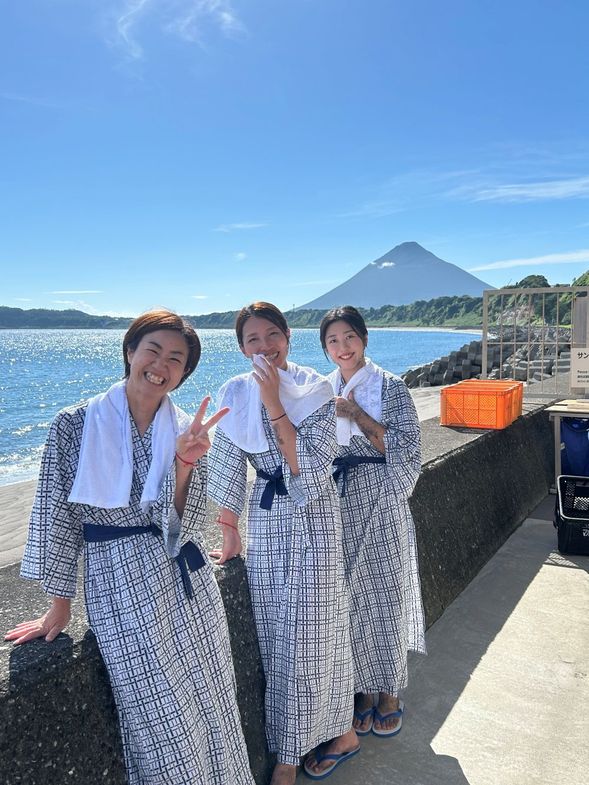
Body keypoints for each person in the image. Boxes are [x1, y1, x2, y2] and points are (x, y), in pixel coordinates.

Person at [5, 309, 255, 785]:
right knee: (163, 720)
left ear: (184, 373)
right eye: (153, 350)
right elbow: (58, 515)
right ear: (129, 351)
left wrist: (184, 463)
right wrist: (60, 604)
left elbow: (184, 524)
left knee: (215, 702)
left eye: (176, 359)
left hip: (187, 580)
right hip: (118, 580)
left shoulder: (186, 428)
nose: (161, 365)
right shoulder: (74, 424)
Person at [207, 302, 358, 784]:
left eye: (272, 334)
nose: (264, 346)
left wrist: (274, 401)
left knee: (314, 633)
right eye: (252, 339)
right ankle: (341, 733)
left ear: (288, 337)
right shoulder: (235, 391)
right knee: (277, 635)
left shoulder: (316, 389)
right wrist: (229, 530)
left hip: (314, 517)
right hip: (267, 520)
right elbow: (226, 463)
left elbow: (309, 470)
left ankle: (290, 757)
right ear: (241, 348)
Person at [319, 305, 426, 739]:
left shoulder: (390, 386)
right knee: (350, 600)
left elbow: (408, 448)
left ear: (364, 339)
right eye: (333, 341)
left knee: (386, 595)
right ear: (325, 349)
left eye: (349, 337)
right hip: (342, 501)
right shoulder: (324, 389)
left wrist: (356, 415)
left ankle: (390, 693)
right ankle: (361, 690)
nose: (342, 347)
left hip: (381, 497)